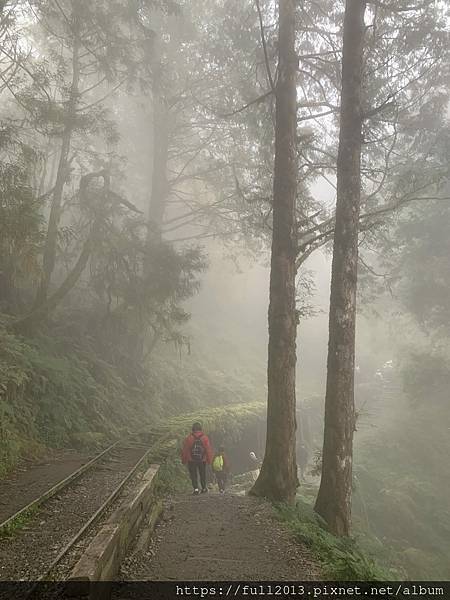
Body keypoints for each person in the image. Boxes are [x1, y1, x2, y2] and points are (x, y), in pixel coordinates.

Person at [181, 422, 213, 495]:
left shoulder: (189, 438)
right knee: (202, 474)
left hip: (191, 460)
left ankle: (196, 489)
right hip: (202, 460)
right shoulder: (205, 438)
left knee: (193, 474)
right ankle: (204, 488)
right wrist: (209, 460)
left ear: (193, 429)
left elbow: (185, 449)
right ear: (200, 428)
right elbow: (208, 450)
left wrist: (184, 460)